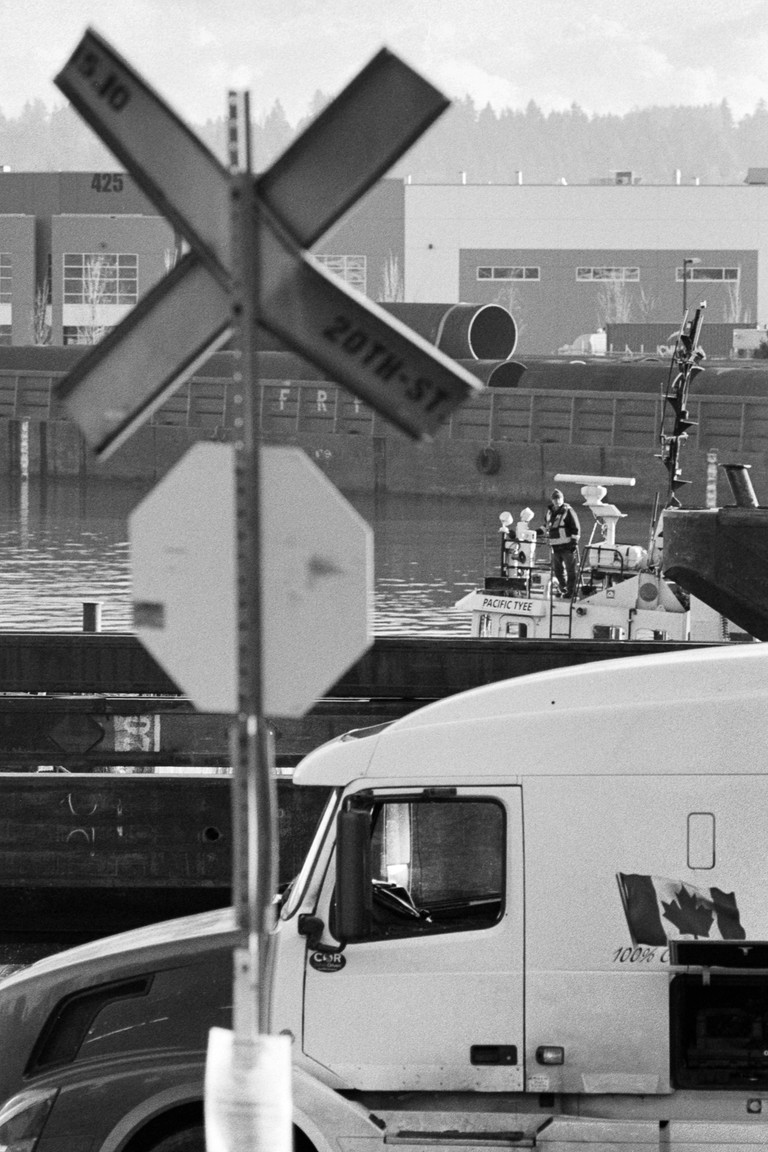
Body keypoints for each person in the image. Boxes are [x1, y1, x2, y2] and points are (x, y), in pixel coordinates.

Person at [544, 488, 581, 598]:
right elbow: (545, 526)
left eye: (559, 499)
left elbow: (576, 528)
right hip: (555, 547)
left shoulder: (568, 511)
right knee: (558, 570)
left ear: (562, 499)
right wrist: (536, 532)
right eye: (555, 499)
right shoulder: (550, 513)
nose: (557, 501)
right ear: (552, 500)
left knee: (571, 570)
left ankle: (571, 591)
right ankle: (563, 588)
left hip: (567, 546)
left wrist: (573, 543)